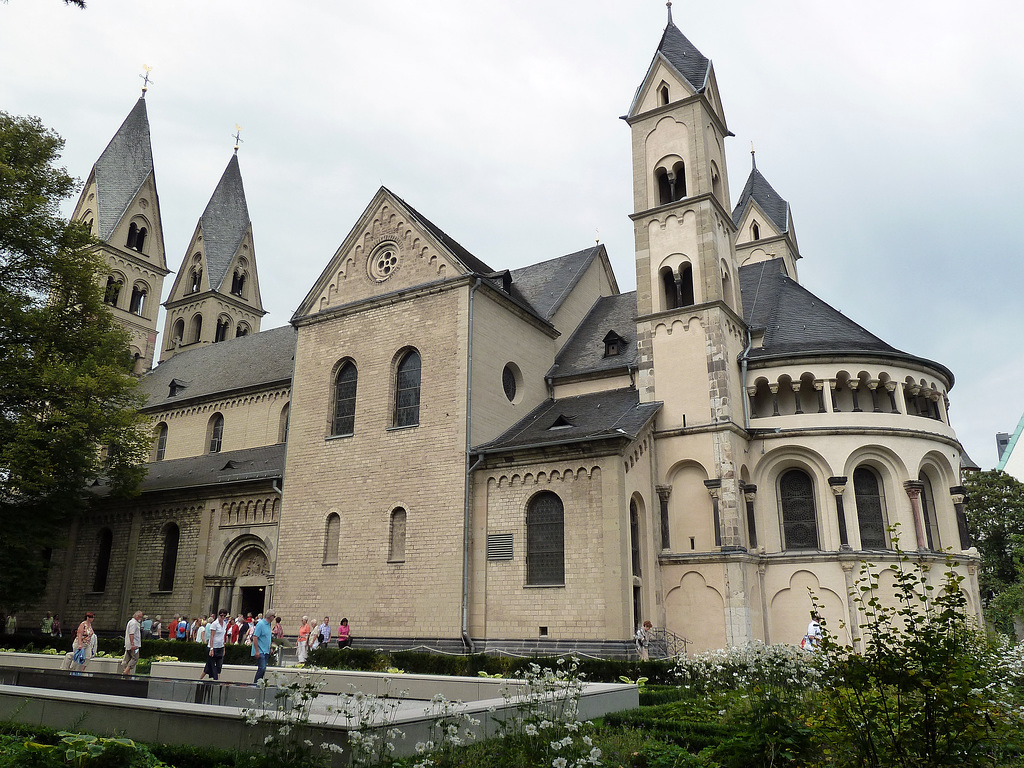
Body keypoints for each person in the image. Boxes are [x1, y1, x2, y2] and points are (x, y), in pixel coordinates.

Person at [201, 609, 230, 681]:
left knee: (218, 666)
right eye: (221, 615)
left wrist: (224, 648)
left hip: (220, 647)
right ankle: (216, 680)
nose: (222, 617)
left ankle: (201, 679)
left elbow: (223, 636)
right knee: (212, 666)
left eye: (224, 615)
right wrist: (211, 648)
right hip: (213, 647)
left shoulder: (224, 624)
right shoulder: (214, 624)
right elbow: (212, 636)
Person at [251, 610, 275, 683]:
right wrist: (257, 651)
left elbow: (268, 637)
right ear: (270, 616)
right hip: (260, 650)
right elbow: (255, 637)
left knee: (263, 669)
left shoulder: (268, 625)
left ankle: (259, 682)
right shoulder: (260, 624)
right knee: (262, 668)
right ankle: (256, 683)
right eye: (274, 616)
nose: (274, 618)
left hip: (266, 650)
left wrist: (270, 648)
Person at [121, 610, 143, 675]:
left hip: (129, 644)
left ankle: (128, 674)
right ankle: (125, 672)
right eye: (140, 617)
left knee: (128, 658)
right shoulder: (134, 623)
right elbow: (131, 634)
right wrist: (132, 644)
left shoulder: (131, 622)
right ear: (136, 616)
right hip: (134, 645)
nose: (141, 619)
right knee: (135, 658)